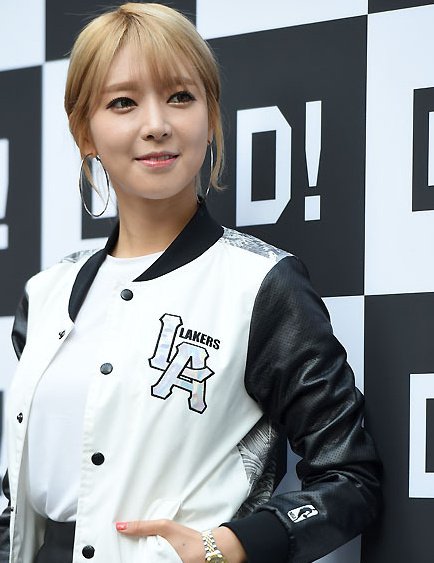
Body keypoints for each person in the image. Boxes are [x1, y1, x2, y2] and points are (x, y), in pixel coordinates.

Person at [0, 3, 381, 563]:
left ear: (211, 117)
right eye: (123, 102)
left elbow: (351, 479)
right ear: (85, 131)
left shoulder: (262, 284)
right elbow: (24, 491)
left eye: (180, 97)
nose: (156, 124)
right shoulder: (46, 294)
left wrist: (226, 546)